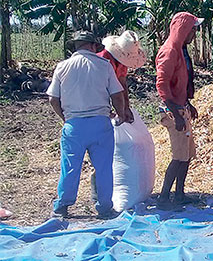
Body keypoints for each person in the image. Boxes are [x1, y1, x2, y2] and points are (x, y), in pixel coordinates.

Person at [46, 31, 133, 219]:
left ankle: (62, 207)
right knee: (103, 167)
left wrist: (66, 118)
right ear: (93, 46)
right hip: (100, 123)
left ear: (76, 46)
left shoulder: (63, 67)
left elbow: (53, 98)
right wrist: (121, 114)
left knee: (70, 167)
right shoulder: (104, 66)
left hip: (74, 126)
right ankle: (104, 208)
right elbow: (117, 94)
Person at [90, 30, 148, 202]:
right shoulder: (102, 59)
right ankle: (97, 194)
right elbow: (97, 88)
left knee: (112, 152)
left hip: (109, 107)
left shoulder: (121, 61)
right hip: (96, 108)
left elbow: (121, 84)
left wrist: (126, 108)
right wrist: (111, 110)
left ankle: (109, 190)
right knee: (99, 153)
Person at [155, 12, 203, 207]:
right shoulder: (169, 51)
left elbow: (182, 82)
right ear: (183, 30)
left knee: (187, 154)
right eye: (193, 30)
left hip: (181, 108)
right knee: (178, 156)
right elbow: (161, 84)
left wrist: (188, 104)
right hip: (172, 111)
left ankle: (180, 194)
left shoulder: (181, 50)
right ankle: (164, 198)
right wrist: (176, 114)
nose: (194, 35)